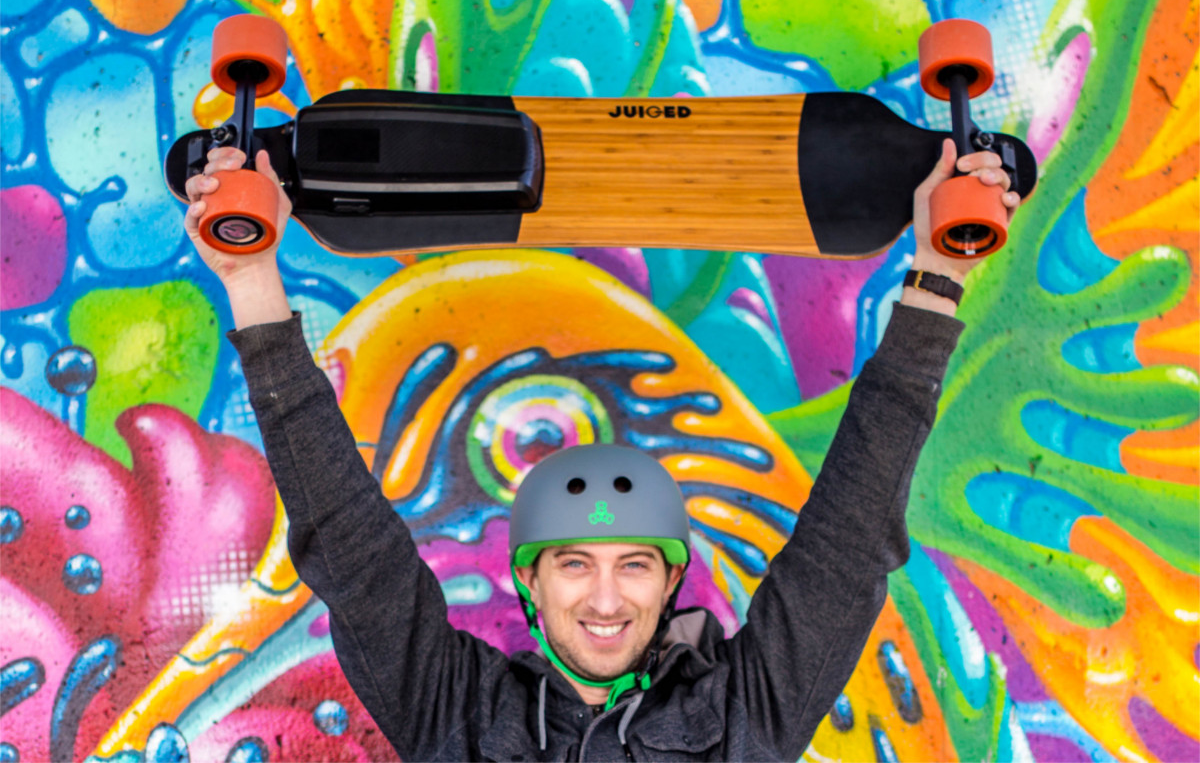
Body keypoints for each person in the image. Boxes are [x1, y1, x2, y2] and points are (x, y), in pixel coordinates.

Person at [184, 139, 1018, 761]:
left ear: (669, 582)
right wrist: (253, 288)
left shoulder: (743, 714)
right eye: (575, 564)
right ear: (531, 582)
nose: (607, 598)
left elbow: (847, 543)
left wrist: (938, 278)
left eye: (635, 565)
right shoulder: (460, 714)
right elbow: (350, 548)